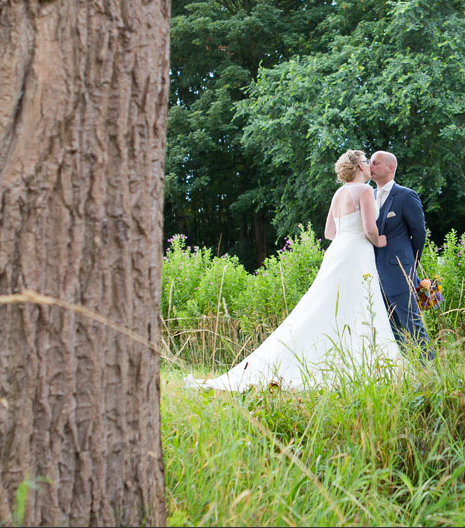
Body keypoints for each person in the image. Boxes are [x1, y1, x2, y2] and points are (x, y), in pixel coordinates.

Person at [185, 150, 401, 391]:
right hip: (357, 253)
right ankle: (362, 362)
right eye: (366, 161)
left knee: (326, 304)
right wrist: (380, 241)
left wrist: (349, 234)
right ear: (360, 167)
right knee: (360, 303)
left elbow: (330, 233)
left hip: (338, 251)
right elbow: (370, 230)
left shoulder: (339, 193)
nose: (369, 165)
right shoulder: (364, 191)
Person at [369, 151, 434, 359]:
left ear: (390, 167)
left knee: (412, 324)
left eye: (376, 163)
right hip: (372, 273)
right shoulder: (368, 196)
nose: (370, 166)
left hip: (399, 272)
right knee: (389, 329)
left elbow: (419, 232)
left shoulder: (406, 196)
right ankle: (404, 370)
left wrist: (410, 264)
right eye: (370, 162)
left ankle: (430, 369)